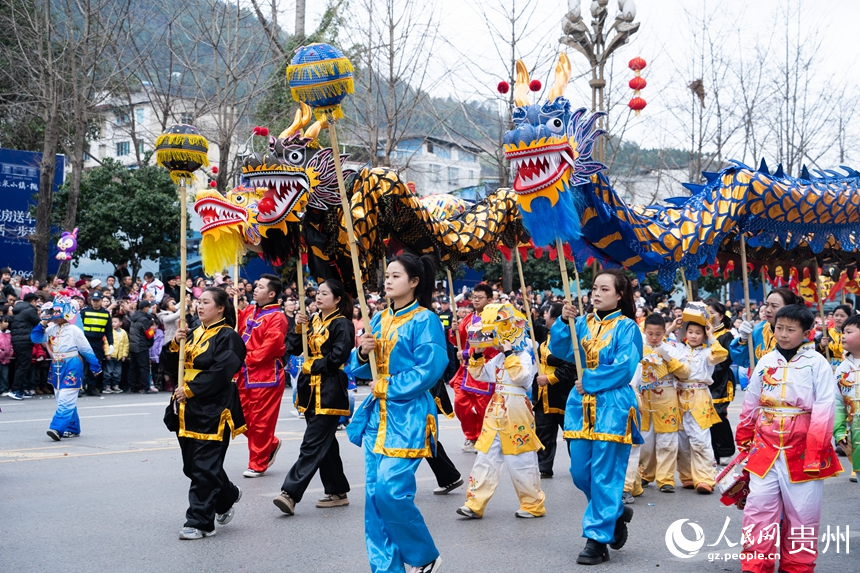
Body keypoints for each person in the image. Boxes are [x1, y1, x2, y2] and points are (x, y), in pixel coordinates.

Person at [346, 253, 447, 573]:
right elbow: (357, 365)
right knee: (375, 499)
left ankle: (422, 555)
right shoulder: (380, 318)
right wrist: (362, 351)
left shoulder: (425, 319)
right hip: (378, 418)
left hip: (410, 417)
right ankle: (386, 569)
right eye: (386, 276)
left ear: (414, 282)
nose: (387, 281)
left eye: (395, 276)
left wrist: (385, 386)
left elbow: (430, 369)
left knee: (392, 491)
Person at [736, 304, 840, 572]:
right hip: (765, 448)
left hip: (804, 451)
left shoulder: (817, 363)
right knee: (757, 512)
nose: (783, 334)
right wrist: (744, 440)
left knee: (803, 515)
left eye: (790, 329)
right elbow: (751, 402)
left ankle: (798, 567)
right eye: (779, 328)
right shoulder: (766, 360)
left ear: (806, 333)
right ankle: (755, 566)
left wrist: (815, 453)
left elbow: (825, 407)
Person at [550, 269, 642, 565]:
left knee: (604, 476)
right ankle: (614, 511)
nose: (597, 293)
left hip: (612, 406)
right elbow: (559, 349)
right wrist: (565, 322)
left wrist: (589, 380)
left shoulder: (628, 327)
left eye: (604, 289)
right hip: (580, 407)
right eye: (594, 288)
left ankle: (597, 540)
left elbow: (625, 366)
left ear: (619, 295)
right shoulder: (583, 323)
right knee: (580, 473)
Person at [161, 287, 247, 540]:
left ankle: (200, 522)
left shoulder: (229, 336)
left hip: (213, 408)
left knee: (203, 467)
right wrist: (175, 344)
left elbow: (222, 372)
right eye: (199, 302)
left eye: (206, 302)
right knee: (193, 466)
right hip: (186, 408)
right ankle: (227, 495)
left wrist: (192, 390)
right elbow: (169, 366)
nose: (200, 306)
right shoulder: (192, 333)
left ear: (220, 308)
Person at [456, 302, 545, 520]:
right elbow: (480, 375)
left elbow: (523, 378)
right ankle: (474, 503)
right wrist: (476, 354)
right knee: (485, 456)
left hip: (516, 409)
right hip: (495, 408)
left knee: (521, 459)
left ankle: (532, 504)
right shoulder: (497, 357)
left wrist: (508, 353)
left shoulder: (526, 353)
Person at [274, 279, 353, 514]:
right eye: (317, 293)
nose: (318, 297)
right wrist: (298, 329)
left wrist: (315, 365)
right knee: (325, 444)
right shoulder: (313, 319)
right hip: (309, 389)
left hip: (329, 390)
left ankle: (290, 493)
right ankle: (337, 489)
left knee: (311, 444)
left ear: (337, 299)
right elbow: (294, 348)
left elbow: (339, 356)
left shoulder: (342, 324)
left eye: (325, 294)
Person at [670, 303, 727, 494]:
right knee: (681, 440)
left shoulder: (707, 353)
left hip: (699, 397)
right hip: (678, 397)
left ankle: (705, 479)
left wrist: (711, 335)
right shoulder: (678, 349)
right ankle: (686, 476)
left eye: (698, 332)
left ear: (704, 334)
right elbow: (657, 346)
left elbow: (721, 355)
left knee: (701, 439)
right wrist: (671, 328)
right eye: (690, 331)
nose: (694, 335)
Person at [237, 274, 288, 478]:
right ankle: (271, 443)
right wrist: (230, 301)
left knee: (261, 421)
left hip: (266, 375)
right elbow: (234, 323)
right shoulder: (249, 311)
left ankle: (257, 463)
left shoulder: (278, 317)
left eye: (260, 286)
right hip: (244, 373)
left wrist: (243, 358)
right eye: (256, 286)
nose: (255, 289)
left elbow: (270, 347)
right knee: (239, 418)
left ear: (272, 293)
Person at [31, 297, 102, 440]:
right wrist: (44, 322)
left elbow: (86, 349)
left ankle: (57, 428)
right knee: (61, 397)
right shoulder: (50, 329)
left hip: (72, 364)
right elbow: (35, 338)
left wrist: (95, 365)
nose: (55, 314)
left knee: (66, 398)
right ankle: (73, 428)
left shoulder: (74, 330)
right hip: (56, 365)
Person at [635, 313, 689, 494]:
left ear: (664, 332)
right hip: (644, 398)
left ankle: (665, 479)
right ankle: (644, 474)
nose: (654, 337)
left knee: (667, 441)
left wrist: (668, 359)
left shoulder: (672, 349)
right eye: (650, 333)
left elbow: (685, 373)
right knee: (645, 441)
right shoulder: (638, 349)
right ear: (645, 331)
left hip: (666, 398)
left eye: (658, 334)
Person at [449, 283, 496, 453]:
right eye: (474, 297)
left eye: (479, 298)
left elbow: (488, 345)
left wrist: (467, 353)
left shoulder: (493, 319)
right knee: (460, 403)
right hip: (465, 369)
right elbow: (458, 342)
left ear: (490, 300)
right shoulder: (468, 319)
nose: (475, 300)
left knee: (484, 407)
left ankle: (483, 437)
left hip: (483, 369)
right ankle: (471, 435)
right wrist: (454, 332)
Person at [533, 302, 576, 479]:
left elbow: (571, 366)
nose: (545, 317)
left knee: (572, 434)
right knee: (543, 429)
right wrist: (527, 310)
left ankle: (579, 467)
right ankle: (544, 466)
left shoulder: (571, 339)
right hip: (543, 394)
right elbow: (531, 326)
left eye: (547, 315)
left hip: (563, 393)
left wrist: (550, 378)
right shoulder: (545, 334)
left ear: (555, 318)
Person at [730, 288, 800, 369]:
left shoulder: (798, 332)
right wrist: (744, 340)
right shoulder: (758, 329)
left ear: (789, 308)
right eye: (767, 305)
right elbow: (743, 360)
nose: (767, 310)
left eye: (774, 306)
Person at [706, 299, 736, 465]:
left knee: (718, 415)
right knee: (705, 417)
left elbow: (725, 360)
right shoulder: (702, 332)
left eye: (712, 313)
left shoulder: (726, 335)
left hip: (720, 381)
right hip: (705, 380)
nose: (709, 316)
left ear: (721, 316)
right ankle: (712, 450)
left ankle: (724, 449)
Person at [834, 314, 860, 482]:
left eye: (849, 331)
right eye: (843, 332)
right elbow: (837, 404)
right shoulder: (842, 369)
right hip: (856, 436)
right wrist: (839, 431)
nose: (843, 335)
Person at [79, 291, 114, 395]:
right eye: (93, 301)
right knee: (82, 366)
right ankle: (79, 388)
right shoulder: (84, 312)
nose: (95, 303)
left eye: (97, 301)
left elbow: (108, 331)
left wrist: (111, 343)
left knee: (95, 366)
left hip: (98, 343)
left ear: (101, 301)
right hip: (84, 342)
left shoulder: (106, 314)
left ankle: (91, 388)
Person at [8, 292, 41, 400]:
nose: (37, 304)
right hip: (24, 341)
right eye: (36, 302)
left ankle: (20, 389)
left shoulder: (18, 310)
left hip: (17, 341)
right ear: (32, 301)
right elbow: (38, 323)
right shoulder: (30, 310)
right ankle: (15, 389)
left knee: (20, 365)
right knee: (24, 366)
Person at [128, 300, 157, 393]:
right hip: (142, 345)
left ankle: (131, 387)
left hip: (133, 345)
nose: (150, 309)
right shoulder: (144, 319)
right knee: (144, 367)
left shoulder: (134, 317)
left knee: (133, 367)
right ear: (145, 308)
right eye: (149, 307)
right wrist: (150, 343)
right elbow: (149, 333)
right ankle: (146, 387)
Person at [819, 304, 852, 368]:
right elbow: (816, 349)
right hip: (829, 366)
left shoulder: (852, 333)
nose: (838, 318)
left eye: (842, 316)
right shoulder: (826, 333)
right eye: (836, 315)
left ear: (849, 317)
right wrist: (822, 345)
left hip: (848, 366)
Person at [103, 316, 128, 393]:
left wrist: (124, 355)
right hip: (111, 355)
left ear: (120, 323)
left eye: (115, 322)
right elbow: (106, 343)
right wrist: (107, 353)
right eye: (112, 322)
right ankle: (106, 386)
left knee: (117, 372)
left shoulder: (123, 332)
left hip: (119, 356)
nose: (113, 324)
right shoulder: (109, 332)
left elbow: (125, 344)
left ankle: (115, 385)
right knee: (108, 371)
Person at [0, 315, 13, 397]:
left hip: (6, 357)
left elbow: (10, 344)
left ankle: (4, 389)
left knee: (5, 374)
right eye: (5, 322)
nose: (7, 324)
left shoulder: (8, 333)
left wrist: (11, 351)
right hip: (1, 354)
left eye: (8, 322)